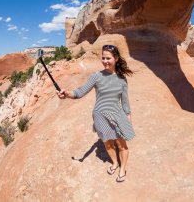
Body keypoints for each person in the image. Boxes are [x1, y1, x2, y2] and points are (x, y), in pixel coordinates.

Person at [56, 44, 135, 182]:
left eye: (108, 58)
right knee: (108, 143)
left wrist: (128, 119)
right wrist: (67, 93)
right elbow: (80, 92)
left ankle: (123, 169)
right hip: (100, 116)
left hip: (116, 115)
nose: (105, 61)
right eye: (103, 58)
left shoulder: (122, 79)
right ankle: (115, 163)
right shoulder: (96, 76)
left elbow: (125, 102)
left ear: (116, 58)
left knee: (122, 145)